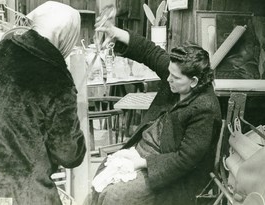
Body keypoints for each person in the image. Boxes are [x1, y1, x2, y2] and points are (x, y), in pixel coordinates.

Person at [90, 18, 222, 205]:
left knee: (114, 196)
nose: (167, 79)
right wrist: (115, 32)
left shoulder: (205, 108)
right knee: (99, 184)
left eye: (174, 77)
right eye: (168, 72)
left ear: (193, 81)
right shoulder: (177, 74)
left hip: (172, 175)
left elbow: (184, 160)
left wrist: (140, 162)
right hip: (144, 153)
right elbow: (149, 51)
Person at [0, 1, 86, 205]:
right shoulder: (57, 79)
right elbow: (69, 154)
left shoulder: (0, 50)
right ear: (65, 35)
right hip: (23, 191)